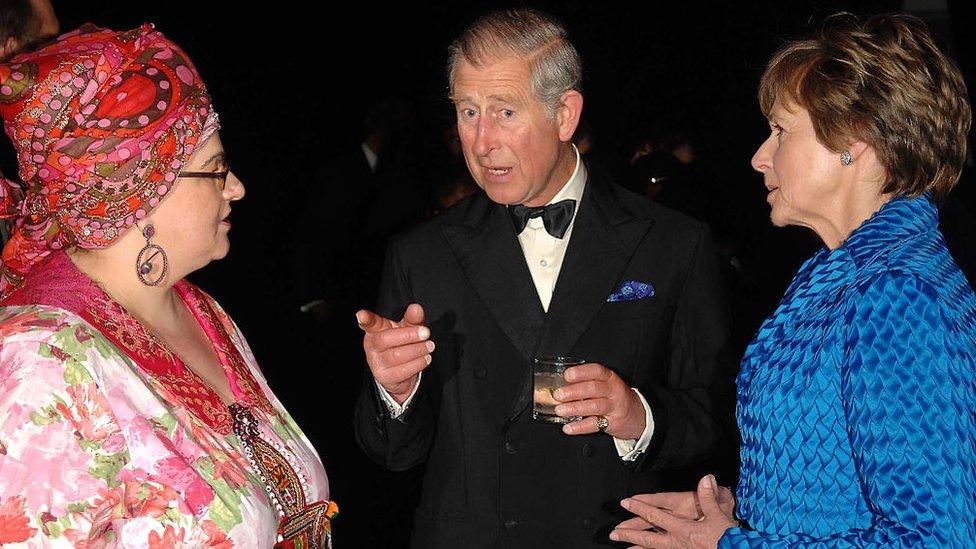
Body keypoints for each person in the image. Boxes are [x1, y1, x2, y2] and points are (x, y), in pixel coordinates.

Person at [353, 8, 735, 547]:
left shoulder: (673, 243)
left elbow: (717, 421)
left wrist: (637, 415)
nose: (481, 142)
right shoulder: (421, 254)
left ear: (565, 115)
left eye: (505, 112)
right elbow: (393, 454)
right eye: (467, 112)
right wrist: (395, 390)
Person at [611, 13, 975, 548]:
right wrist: (745, 506)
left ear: (856, 138)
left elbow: (932, 539)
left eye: (780, 130)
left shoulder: (898, 293)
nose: (760, 157)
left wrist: (727, 544)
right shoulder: (840, 275)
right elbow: (846, 473)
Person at [0, 24, 336, 546]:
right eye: (216, 168)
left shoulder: (196, 308)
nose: (238, 188)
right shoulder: (40, 364)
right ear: (140, 190)